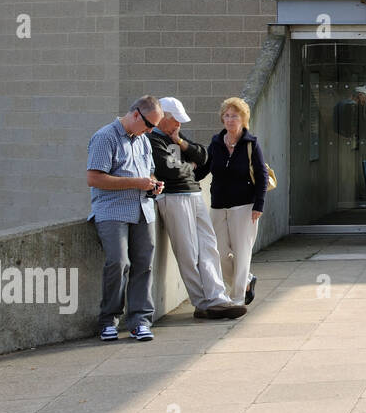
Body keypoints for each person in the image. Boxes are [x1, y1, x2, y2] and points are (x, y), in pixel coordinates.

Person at [150, 96, 246, 321]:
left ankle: (217, 298)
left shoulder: (175, 136)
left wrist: (182, 144)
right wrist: (188, 166)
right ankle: (203, 303)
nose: (179, 126)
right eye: (175, 121)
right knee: (188, 251)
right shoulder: (153, 140)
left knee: (209, 247)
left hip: (193, 194)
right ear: (163, 118)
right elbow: (169, 171)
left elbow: (203, 157)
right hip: (173, 197)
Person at [86, 96, 165, 342]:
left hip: (143, 208)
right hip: (112, 211)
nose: (151, 130)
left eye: (154, 127)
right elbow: (95, 178)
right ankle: (108, 320)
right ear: (135, 115)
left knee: (144, 264)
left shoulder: (143, 140)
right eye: (150, 125)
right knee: (118, 262)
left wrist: (152, 184)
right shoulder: (105, 137)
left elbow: (148, 170)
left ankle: (140, 321)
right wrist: (136, 182)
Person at [201, 97, 268, 306]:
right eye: (227, 115)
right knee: (219, 253)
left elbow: (262, 175)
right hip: (219, 206)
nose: (230, 120)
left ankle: (237, 298)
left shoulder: (250, 144)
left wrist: (259, 205)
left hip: (245, 206)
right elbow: (203, 169)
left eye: (235, 115)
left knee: (242, 253)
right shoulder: (215, 143)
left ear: (243, 119)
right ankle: (247, 280)